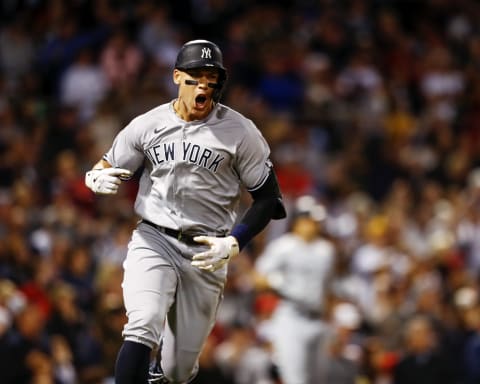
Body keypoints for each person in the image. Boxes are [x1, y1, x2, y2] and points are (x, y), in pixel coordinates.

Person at [84, 39, 286, 384]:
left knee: (179, 370)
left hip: (207, 252)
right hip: (154, 238)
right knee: (143, 324)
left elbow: (268, 199)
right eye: (195, 75)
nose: (204, 83)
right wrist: (95, 177)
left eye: (212, 76)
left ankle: (161, 372)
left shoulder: (240, 132)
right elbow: (105, 164)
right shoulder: (148, 124)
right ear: (177, 76)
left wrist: (235, 242)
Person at [254, 195, 336, 384]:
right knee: (295, 380)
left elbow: (328, 288)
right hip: (291, 317)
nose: (315, 225)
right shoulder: (284, 246)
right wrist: (279, 284)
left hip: (318, 319)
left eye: (316, 221)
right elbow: (259, 277)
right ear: (299, 220)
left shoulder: (326, 250)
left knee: (319, 380)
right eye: (310, 220)